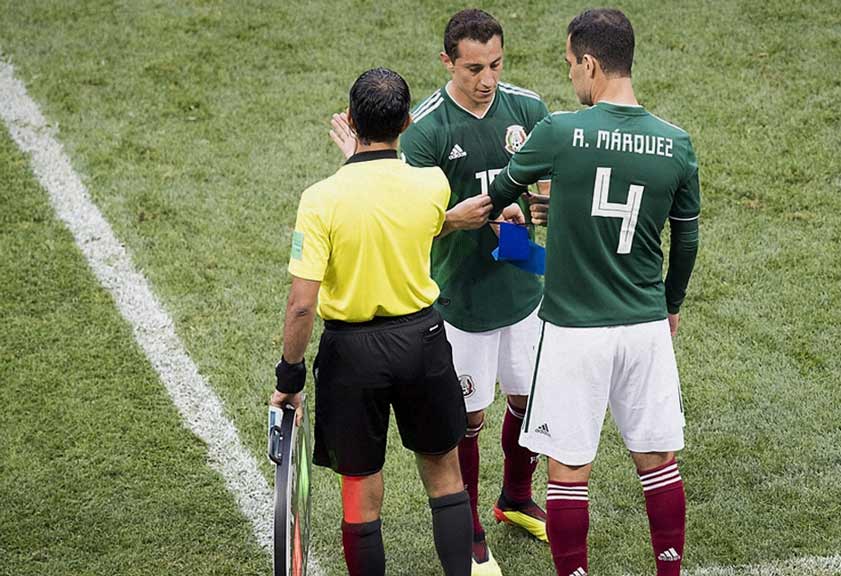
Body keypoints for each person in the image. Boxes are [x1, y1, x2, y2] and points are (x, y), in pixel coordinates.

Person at [330, 9, 551, 576]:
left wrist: (538, 210)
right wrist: (456, 219)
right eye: (474, 67)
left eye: (496, 64)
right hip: (458, 294)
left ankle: (516, 498)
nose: (488, 78)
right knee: (468, 420)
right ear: (447, 61)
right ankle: (473, 532)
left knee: (529, 406)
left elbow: (549, 193)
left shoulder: (527, 109)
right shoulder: (425, 128)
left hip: (523, 281)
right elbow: (402, 217)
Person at [486, 9, 701, 576]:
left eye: (570, 65)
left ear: (590, 63)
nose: (570, 78)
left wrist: (511, 213)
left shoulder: (559, 132)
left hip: (574, 331)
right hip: (644, 326)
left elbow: (503, 193)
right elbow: (688, 238)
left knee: (569, 470)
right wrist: (671, 304)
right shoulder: (676, 145)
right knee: (658, 461)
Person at [270, 68, 472, 576]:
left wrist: (288, 378)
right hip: (423, 342)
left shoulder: (321, 199)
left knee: (360, 490)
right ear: (406, 121)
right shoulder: (432, 184)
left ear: (351, 120)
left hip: (352, 355)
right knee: (445, 474)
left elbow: (300, 305)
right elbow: (407, 212)